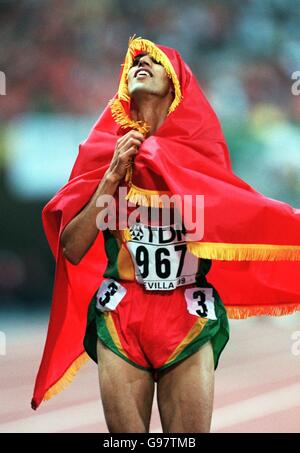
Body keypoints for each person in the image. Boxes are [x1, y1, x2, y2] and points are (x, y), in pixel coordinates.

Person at [31, 37, 300, 433]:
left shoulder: (198, 154)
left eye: (154, 62)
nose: (140, 62)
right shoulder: (105, 151)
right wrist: (111, 176)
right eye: (135, 61)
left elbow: (241, 212)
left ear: (176, 84)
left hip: (186, 313)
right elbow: (71, 248)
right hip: (121, 313)